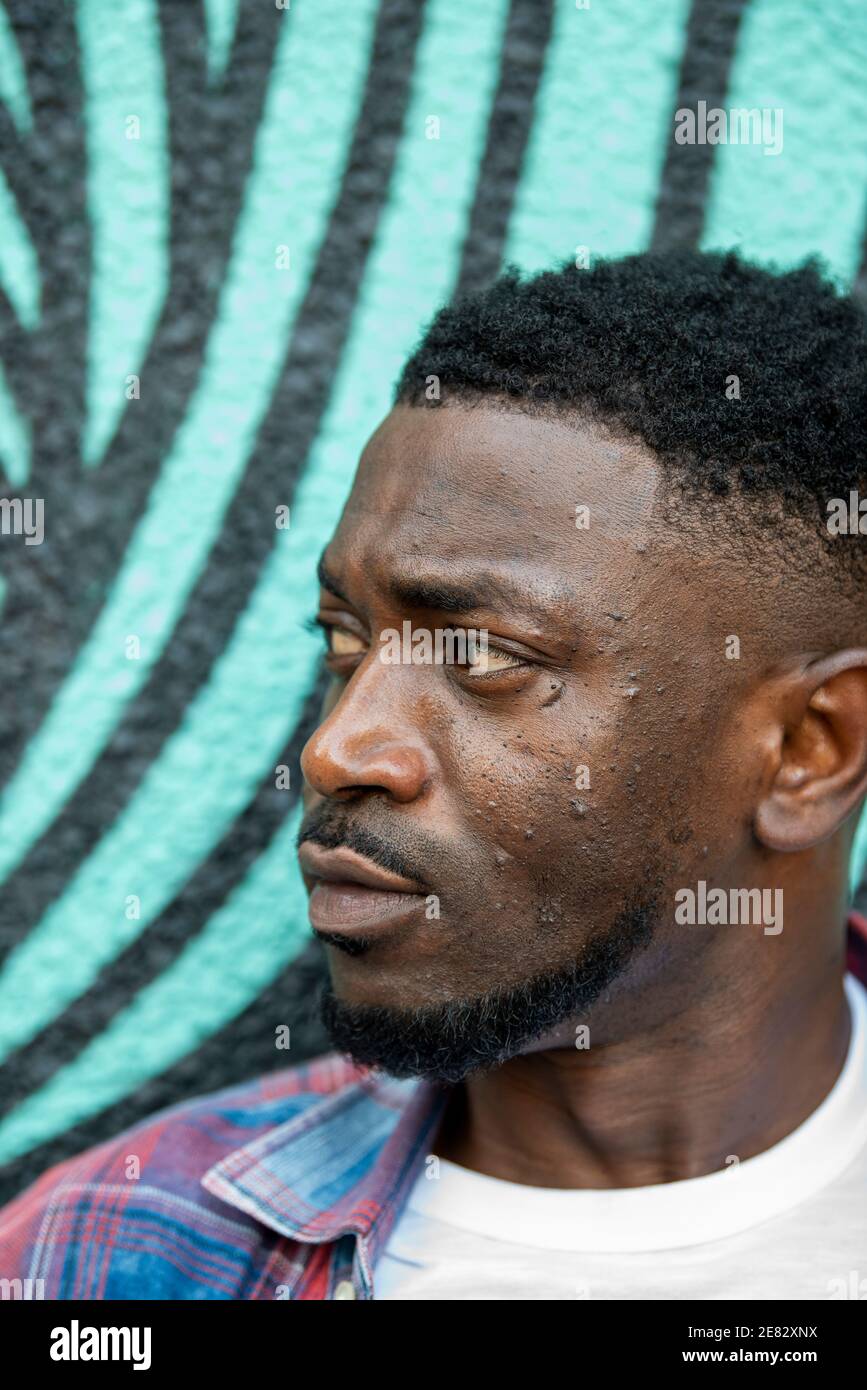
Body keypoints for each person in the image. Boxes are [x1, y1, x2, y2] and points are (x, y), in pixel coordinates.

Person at [2, 250, 867, 1300]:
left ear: (810, 750)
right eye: (344, 638)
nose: (336, 750)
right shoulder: (108, 1257)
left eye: (486, 657)